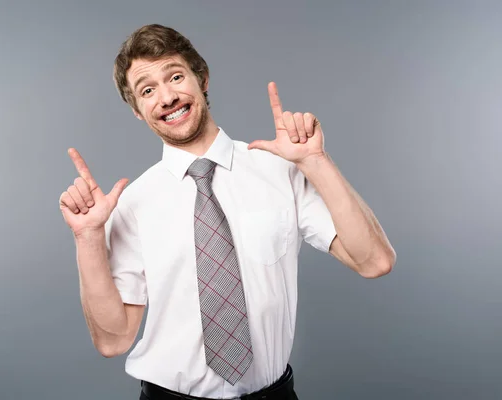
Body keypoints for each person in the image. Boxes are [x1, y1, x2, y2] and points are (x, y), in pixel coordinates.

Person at [58, 24, 396, 400]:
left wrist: (316, 161)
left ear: (202, 79)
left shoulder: (278, 169)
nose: (167, 97)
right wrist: (87, 237)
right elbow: (113, 339)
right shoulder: (132, 204)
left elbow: (375, 261)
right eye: (148, 90)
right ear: (138, 111)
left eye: (175, 76)